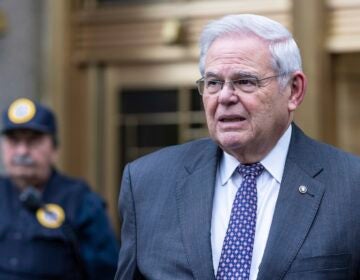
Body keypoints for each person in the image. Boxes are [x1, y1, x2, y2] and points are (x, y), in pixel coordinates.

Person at [115, 14, 360, 280]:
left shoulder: (351, 187)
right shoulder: (147, 183)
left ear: (293, 90)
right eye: (213, 83)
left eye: (245, 81)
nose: (225, 97)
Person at [0, 98, 119, 279]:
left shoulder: (80, 201)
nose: (22, 151)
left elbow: (107, 271)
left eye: (33, 142)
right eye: (14, 141)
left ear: (54, 150)